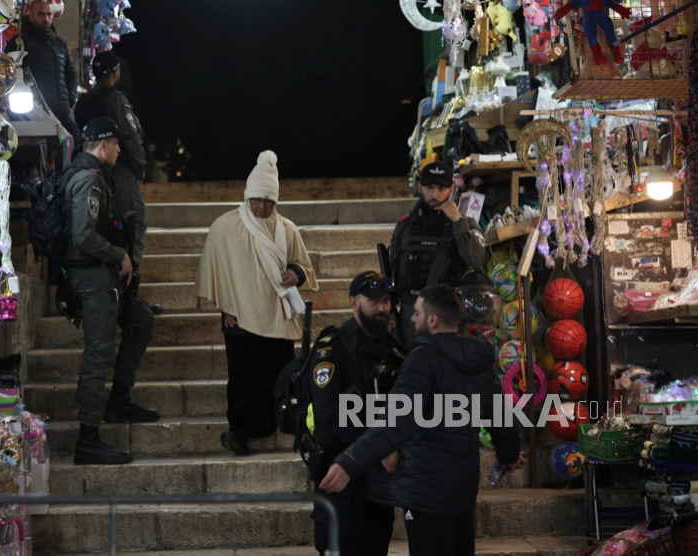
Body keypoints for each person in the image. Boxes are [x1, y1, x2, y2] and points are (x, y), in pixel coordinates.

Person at [320, 285, 525, 556]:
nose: (412, 319)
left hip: (425, 491)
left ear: (432, 319)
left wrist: (348, 463)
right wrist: (509, 454)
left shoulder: (423, 359)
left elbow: (394, 423)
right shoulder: (478, 360)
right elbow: (500, 417)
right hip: (462, 488)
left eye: (416, 313)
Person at [195, 150, 318, 455]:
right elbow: (216, 270)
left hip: (277, 316)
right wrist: (225, 307)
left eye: (269, 201)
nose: (262, 207)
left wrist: (295, 273)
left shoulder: (286, 229)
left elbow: (303, 266)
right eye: (257, 200)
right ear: (247, 196)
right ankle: (240, 432)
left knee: (282, 375)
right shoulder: (224, 228)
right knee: (244, 379)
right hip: (240, 318)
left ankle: (290, 427)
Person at [61, 117, 158, 466]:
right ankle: (88, 439)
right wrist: (120, 255)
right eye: (116, 144)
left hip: (105, 278)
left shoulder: (93, 176)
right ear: (103, 145)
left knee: (141, 321)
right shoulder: (88, 179)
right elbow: (84, 236)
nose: (119, 150)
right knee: (98, 354)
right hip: (93, 278)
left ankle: (118, 400)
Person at [308, 271, 406, 556]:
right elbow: (329, 415)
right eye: (374, 300)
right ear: (353, 302)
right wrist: (377, 447)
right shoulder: (332, 348)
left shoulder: (391, 349)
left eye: (386, 301)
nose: (383, 307)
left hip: (378, 486)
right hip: (342, 482)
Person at [389, 161, 486, 346]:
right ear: (419, 187)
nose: (434, 194)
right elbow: (392, 275)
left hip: (447, 319)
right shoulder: (405, 226)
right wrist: (391, 315)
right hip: (410, 318)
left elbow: (476, 260)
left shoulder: (465, 225)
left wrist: (458, 221)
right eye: (429, 187)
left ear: (451, 189)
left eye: (441, 188)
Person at [74, 51, 148, 270]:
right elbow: (132, 137)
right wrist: (140, 166)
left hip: (92, 169)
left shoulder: (83, 102)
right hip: (121, 172)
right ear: (116, 73)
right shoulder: (116, 99)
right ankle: (131, 288)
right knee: (134, 224)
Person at [7, 0, 79, 139]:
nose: (46, 19)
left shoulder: (60, 44)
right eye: (41, 14)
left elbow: (71, 74)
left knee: (76, 139)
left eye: (48, 14)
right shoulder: (19, 42)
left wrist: (70, 98)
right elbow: (8, 75)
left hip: (61, 115)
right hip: (32, 115)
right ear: (31, 16)